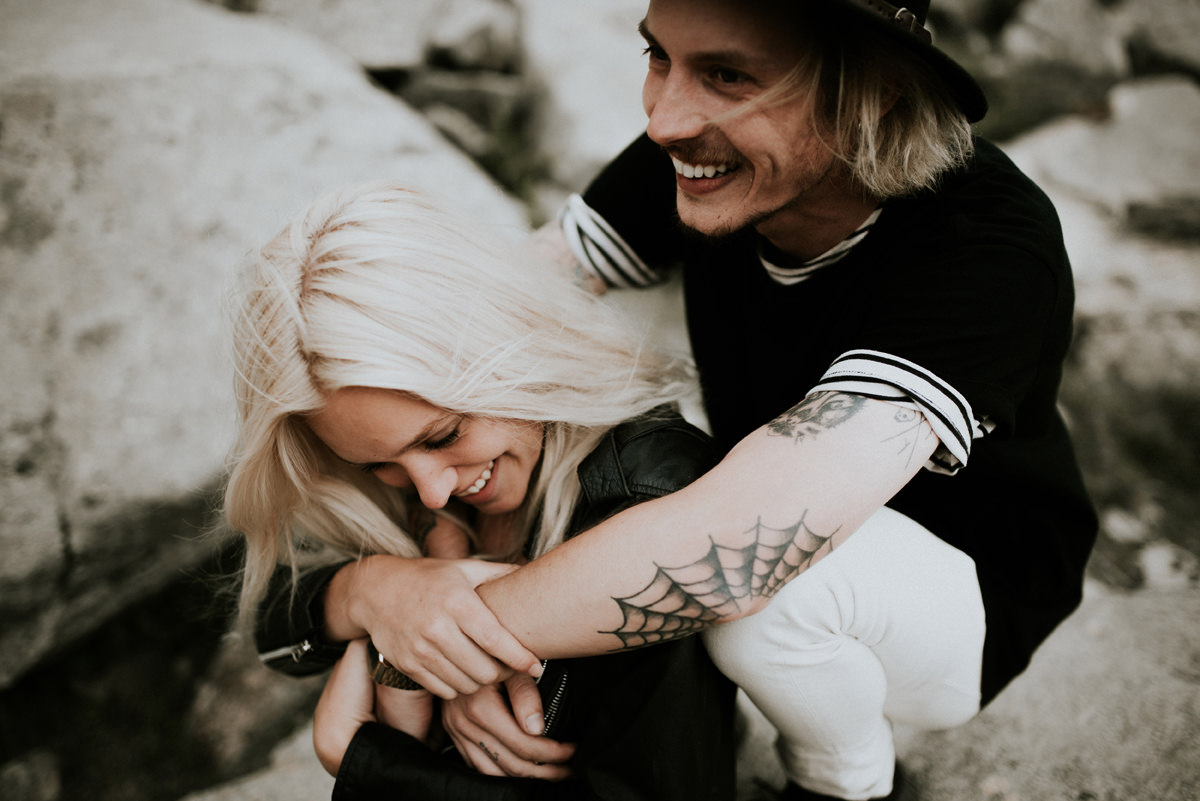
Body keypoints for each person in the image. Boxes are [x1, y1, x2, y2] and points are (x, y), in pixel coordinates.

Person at [295, 2, 1095, 800]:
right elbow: (492, 336)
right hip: (776, 506)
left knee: (768, 595)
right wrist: (401, 583)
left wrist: (430, 642)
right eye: (659, 58)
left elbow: (740, 548)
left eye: (726, 75)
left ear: (875, 91)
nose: (665, 120)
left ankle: (847, 785)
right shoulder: (706, 160)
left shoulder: (989, 239)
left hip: (967, 598)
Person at [223, 180, 736, 800]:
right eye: (377, 464)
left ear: (508, 346)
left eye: (443, 435)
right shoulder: (401, 482)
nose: (433, 494)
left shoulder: (652, 497)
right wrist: (374, 592)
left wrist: (366, 761)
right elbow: (275, 630)